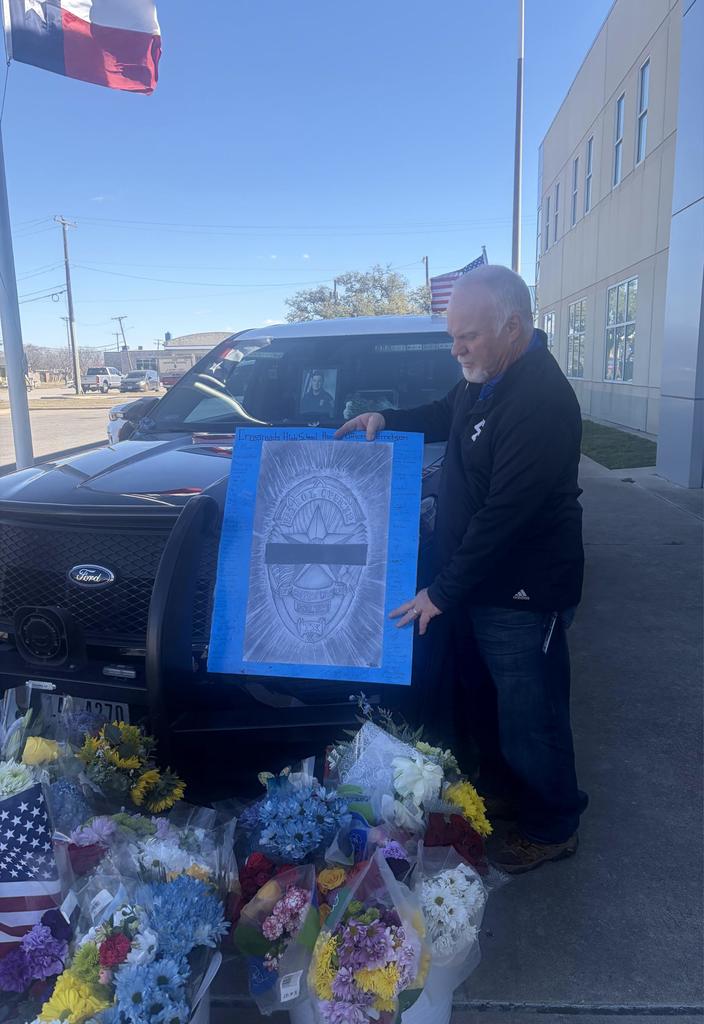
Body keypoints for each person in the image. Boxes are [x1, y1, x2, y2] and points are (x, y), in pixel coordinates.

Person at [336, 264, 588, 873]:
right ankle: (503, 794)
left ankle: (553, 825)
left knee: (531, 713)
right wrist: (384, 420)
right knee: (487, 705)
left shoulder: (540, 401)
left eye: (467, 337)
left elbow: (505, 518)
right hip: (479, 587)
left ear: (514, 326)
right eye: (452, 337)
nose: (457, 351)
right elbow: (443, 410)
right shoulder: (486, 378)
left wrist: (441, 591)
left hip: (522, 592)